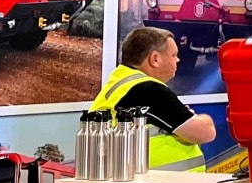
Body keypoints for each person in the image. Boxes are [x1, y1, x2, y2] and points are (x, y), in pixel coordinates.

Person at [90, 26, 217, 170]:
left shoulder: (121, 85)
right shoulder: (148, 90)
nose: (178, 60)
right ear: (155, 59)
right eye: (174, 55)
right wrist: (199, 117)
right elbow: (206, 132)